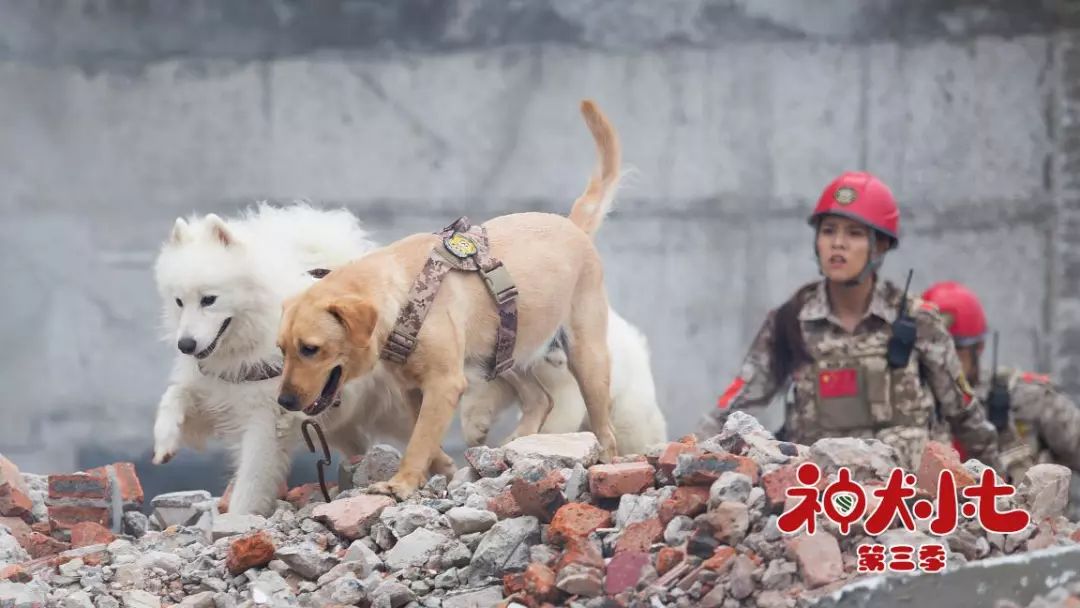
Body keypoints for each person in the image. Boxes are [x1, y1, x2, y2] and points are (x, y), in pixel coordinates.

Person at [695, 171, 1002, 473]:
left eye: (854, 233)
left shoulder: (917, 320)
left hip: (906, 502)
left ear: (880, 246)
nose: (838, 244)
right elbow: (734, 406)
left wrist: (1003, 488)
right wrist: (686, 453)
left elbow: (965, 416)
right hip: (820, 500)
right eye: (828, 231)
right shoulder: (791, 320)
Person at [922, 280, 1080, 483]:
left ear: (978, 348)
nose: (941, 361)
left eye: (954, 350)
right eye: (931, 351)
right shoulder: (907, 408)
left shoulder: (1026, 400)